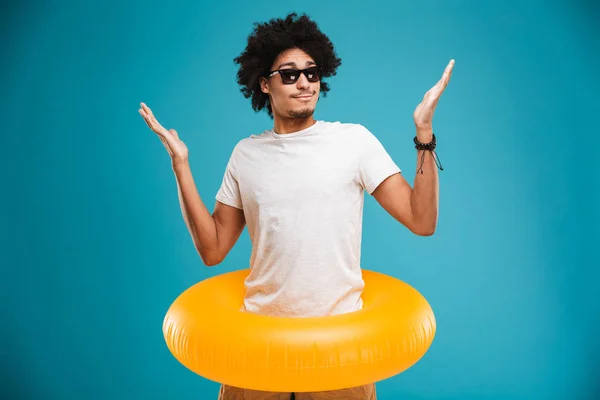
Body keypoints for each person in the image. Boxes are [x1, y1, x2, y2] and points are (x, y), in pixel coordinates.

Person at [139, 12, 453, 400]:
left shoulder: (353, 142)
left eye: (312, 72)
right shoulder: (245, 154)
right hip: (257, 348)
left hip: (339, 351)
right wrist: (181, 165)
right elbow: (213, 249)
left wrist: (424, 133)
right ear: (264, 84)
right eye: (289, 74)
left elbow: (422, 220)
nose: (304, 82)